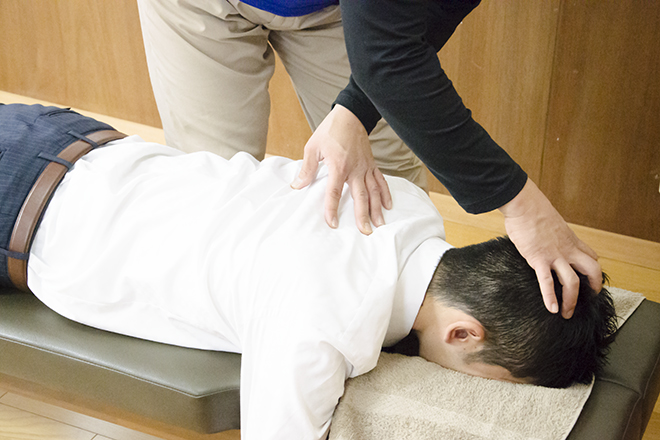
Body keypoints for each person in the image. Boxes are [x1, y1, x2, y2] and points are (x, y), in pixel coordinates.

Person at [0, 104, 617, 440]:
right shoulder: (324, 327)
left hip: (72, 135)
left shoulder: (405, 200)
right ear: (462, 334)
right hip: (14, 212)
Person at [136, 0, 602, 321]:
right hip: (197, 7)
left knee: (385, 203)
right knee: (214, 189)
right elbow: (386, 61)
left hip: (341, 13)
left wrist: (354, 107)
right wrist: (522, 206)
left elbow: (429, 16)